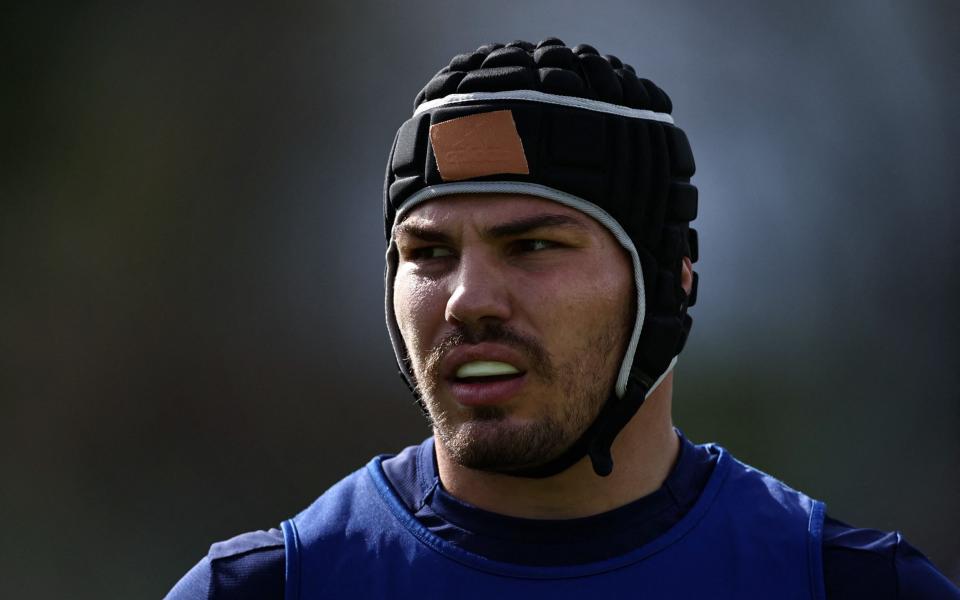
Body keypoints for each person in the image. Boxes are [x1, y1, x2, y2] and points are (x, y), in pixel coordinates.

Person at [166, 38, 959, 599]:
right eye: (430, 252)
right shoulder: (267, 589)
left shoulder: (847, 585)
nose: (467, 298)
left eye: (533, 245)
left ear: (670, 284)